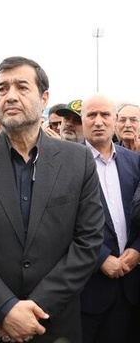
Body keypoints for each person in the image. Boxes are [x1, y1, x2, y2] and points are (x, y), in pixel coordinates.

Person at [0, 56, 104, 343]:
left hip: (52, 325)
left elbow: (88, 241)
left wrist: (35, 310)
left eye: (22, 87)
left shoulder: (78, 160)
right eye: (2, 88)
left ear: (44, 97)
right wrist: (3, 309)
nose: (10, 96)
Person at [79, 94, 140, 343]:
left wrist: (138, 250)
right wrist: (101, 257)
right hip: (89, 290)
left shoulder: (134, 161)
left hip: (130, 287)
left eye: (105, 115)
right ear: (82, 120)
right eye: (91, 115)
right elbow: (59, 223)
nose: (98, 121)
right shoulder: (66, 163)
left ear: (115, 120)